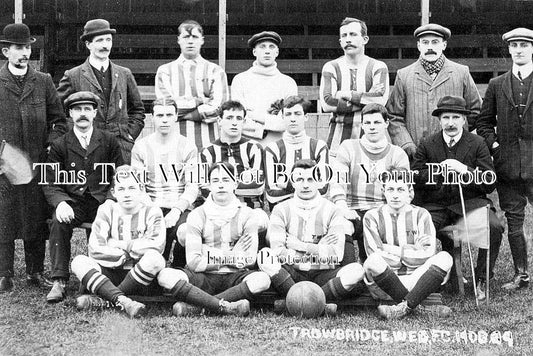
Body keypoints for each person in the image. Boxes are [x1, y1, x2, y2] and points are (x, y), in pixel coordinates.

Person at [413, 95, 503, 301]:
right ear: (439, 120)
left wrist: (465, 170)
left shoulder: (478, 143)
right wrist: (439, 172)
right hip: (437, 205)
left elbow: (489, 182)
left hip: (471, 204)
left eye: (456, 117)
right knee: (419, 228)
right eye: (446, 117)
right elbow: (416, 176)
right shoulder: (427, 144)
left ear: (464, 120)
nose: (451, 123)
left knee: (494, 227)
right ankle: (427, 278)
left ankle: (481, 278)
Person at [0, 23, 66, 292]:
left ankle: (35, 271)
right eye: (18, 48)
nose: (24, 52)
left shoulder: (44, 81)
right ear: (6, 51)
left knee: (35, 218)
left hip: (37, 163)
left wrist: (49, 150)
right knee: (4, 217)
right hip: (4, 165)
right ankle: (4, 273)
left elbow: (59, 121)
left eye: (27, 47)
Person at [43, 91, 123, 303]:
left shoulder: (108, 140)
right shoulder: (60, 144)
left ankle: (103, 274)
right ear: (70, 113)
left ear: (95, 112)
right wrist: (60, 202)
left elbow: (121, 174)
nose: (83, 114)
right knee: (58, 221)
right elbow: (50, 181)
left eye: (87, 109)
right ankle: (59, 280)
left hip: (101, 201)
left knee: (112, 220)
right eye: (77, 109)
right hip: (73, 202)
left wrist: (110, 199)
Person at [258, 159, 364, 315]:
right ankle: (317, 304)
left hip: (323, 275)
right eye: (299, 179)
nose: (305, 184)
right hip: (292, 273)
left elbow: (336, 255)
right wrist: (320, 248)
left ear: (319, 182)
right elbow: (277, 252)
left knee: (356, 270)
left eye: (310, 179)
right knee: (264, 256)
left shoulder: (333, 210)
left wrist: (300, 246)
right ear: (292, 182)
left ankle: (298, 303)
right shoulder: (281, 210)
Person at [164, 162, 270, 316]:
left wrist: (205, 251)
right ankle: (227, 306)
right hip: (203, 278)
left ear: (235, 184)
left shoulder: (248, 214)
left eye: (226, 180)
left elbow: (249, 260)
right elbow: (193, 263)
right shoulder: (197, 215)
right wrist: (232, 255)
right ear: (209, 185)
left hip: (235, 277)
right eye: (216, 181)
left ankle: (198, 307)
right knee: (166, 276)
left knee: (262, 279)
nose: (221, 185)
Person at [476, 28, 533, 292]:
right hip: (507, 166)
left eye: (524, 44)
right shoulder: (497, 85)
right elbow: (484, 124)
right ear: (508, 50)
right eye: (515, 45)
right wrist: (496, 146)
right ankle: (521, 275)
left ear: (531, 49)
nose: (519, 49)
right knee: (514, 221)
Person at [70, 165, 165, 318]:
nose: (127, 194)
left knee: (155, 259)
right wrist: (129, 254)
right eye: (121, 189)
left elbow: (156, 246)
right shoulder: (106, 210)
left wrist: (119, 245)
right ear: (113, 192)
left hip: (141, 277)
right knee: (78, 261)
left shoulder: (152, 211)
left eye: (132, 188)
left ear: (141, 189)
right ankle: (124, 301)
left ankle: (106, 300)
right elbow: (95, 248)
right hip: (111, 273)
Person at [362, 168, 453, 319]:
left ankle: (401, 308)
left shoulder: (422, 215)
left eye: (400, 189)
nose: (395, 195)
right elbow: (374, 253)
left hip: (416, 279)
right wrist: (412, 250)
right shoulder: (372, 216)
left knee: (445, 257)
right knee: (372, 261)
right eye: (390, 189)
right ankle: (418, 308)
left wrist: (391, 249)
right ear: (383, 191)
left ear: (409, 191)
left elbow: (428, 253)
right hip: (385, 282)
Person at [387, 23, 481, 159]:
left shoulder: (461, 72)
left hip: (455, 154)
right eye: (425, 42)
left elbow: (476, 110)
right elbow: (394, 116)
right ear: (419, 46)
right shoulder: (404, 75)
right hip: (417, 154)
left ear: (444, 45)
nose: (430, 47)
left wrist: (458, 136)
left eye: (435, 42)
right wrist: (407, 144)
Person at [57, 19, 145, 164]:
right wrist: (76, 136)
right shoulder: (73, 75)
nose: (105, 45)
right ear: (88, 44)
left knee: (120, 186)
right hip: (85, 150)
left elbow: (138, 110)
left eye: (108, 40)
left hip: (120, 149)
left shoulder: (124, 74)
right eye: (99, 41)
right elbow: (58, 113)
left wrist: (128, 135)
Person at [330, 103, 409, 264]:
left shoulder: (397, 153)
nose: (372, 127)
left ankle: (382, 271)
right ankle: (349, 271)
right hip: (353, 209)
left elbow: (406, 192)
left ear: (386, 123)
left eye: (377, 122)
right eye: (367, 123)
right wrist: (342, 206)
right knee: (342, 226)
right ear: (362, 124)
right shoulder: (348, 147)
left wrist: (390, 210)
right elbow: (338, 181)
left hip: (384, 209)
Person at [131, 98, 198, 267]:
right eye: (160, 115)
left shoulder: (187, 146)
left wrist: (176, 211)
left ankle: (179, 266)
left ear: (176, 116)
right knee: (152, 263)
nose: (165, 119)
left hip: (179, 207)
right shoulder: (140, 147)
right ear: (152, 117)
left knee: (185, 231)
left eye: (169, 114)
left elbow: (192, 186)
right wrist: (153, 210)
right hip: (151, 205)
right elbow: (138, 187)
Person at [319, 17, 389, 156]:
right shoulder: (331, 67)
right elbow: (327, 103)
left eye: (353, 34)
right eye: (344, 36)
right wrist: (366, 98)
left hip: (372, 142)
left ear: (365, 39)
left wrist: (347, 94)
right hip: (337, 144)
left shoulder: (378, 66)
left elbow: (380, 101)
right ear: (340, 42)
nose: (348, 39)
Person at [155, 20, 229, 150]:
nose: (190, 41)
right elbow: (167, 107)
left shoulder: (215, 71)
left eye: (194, 37)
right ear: (178, 40)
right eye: (185, 37)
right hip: (174, 142)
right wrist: (200, 101)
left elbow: (219, 108)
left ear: (202, 40)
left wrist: (188, 114)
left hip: (208, 142)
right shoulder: (165, 71)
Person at [231, 31, 298, 146]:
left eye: (271, 47)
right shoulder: (240, 80)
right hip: (246, 145)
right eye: (262, 47)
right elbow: (238, 119)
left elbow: (288, 121)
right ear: (254, 52)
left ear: (277, 52)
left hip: (278, 146)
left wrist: (257, 116)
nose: (267, 51)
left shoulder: (288, 83)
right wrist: (262, 130)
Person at [264, 96, 329, 206]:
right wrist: (309, 184)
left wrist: (283, 182)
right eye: (288, 114)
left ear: (306, 117)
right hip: (282, 209)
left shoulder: (319, 147)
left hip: (313, 209)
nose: (293, 119)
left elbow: (323, 189)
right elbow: (272, 194)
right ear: (282, 117)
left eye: (297, 114)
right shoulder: (272, 149)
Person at [200, 100, 264, 207]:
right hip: (218, 210)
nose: (234, 122)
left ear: (243, 122)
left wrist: (219, 184)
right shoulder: (207, 152)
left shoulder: (254, 148)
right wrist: (243, 179)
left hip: (250, 209)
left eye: (239, 118)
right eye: (229, 118)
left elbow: (257, 187)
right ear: (219, 121)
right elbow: (204, 190)